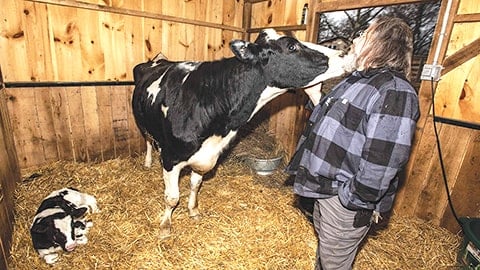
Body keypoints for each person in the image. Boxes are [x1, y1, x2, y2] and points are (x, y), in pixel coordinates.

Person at [286, 17, 420, 270]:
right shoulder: (357, 81)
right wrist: (316, 96)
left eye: (363, 34)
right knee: (327, 254)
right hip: (325, 189)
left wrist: (351, 199)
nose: (355, 40)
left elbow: (384, 160)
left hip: (344, 199)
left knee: (335, 262)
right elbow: (337, 124)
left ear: (381, 44)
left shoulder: (394, 91)